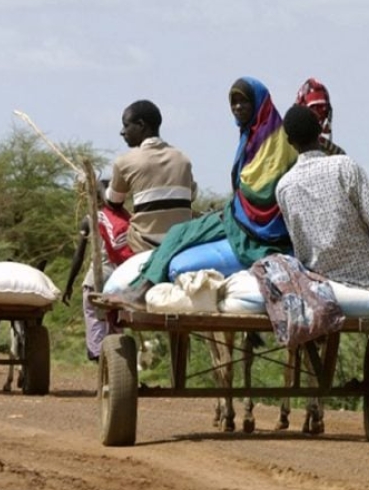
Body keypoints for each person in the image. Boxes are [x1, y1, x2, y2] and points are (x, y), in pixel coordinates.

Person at [276, 104, 369, 400]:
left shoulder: (284, 186)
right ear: (321, 133)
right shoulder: (344, 166)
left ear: (290, 142)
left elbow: (299, 243)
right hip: (368, 280)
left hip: (320, 283)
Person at [110, 77, 297, 305]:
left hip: (259, 227)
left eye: (244, 101)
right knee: (179, 232)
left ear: (259, 103)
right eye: (234, 102)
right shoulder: (249, 136)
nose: (237, 107)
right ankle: (143, 282)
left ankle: (145, 288)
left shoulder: (273, 139)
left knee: (181, 235)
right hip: (241, 216)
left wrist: (232, 209)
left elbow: (261, 192)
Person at [107, 100, 197, 253]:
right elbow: (192, 195)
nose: (122, 132)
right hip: (180, 243)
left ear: (141, 125)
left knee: (105, 216)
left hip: (144, 245)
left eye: (126, 125)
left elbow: (114, 202)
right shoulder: (183, 159)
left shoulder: (124, 162)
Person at [63, 178, 134, 360]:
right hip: (121, 281)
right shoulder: (128, 219)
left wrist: (69, 285)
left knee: (94, 318)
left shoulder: (90, 220)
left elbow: (78, 256)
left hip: (97, 279)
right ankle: (116, 362)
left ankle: (98, 355)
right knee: (116, 325)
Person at [294, 78, 345, 155]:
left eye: (323, 110)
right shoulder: (284, 146)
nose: (319, 115)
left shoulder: (336, 153)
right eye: (314, 108)